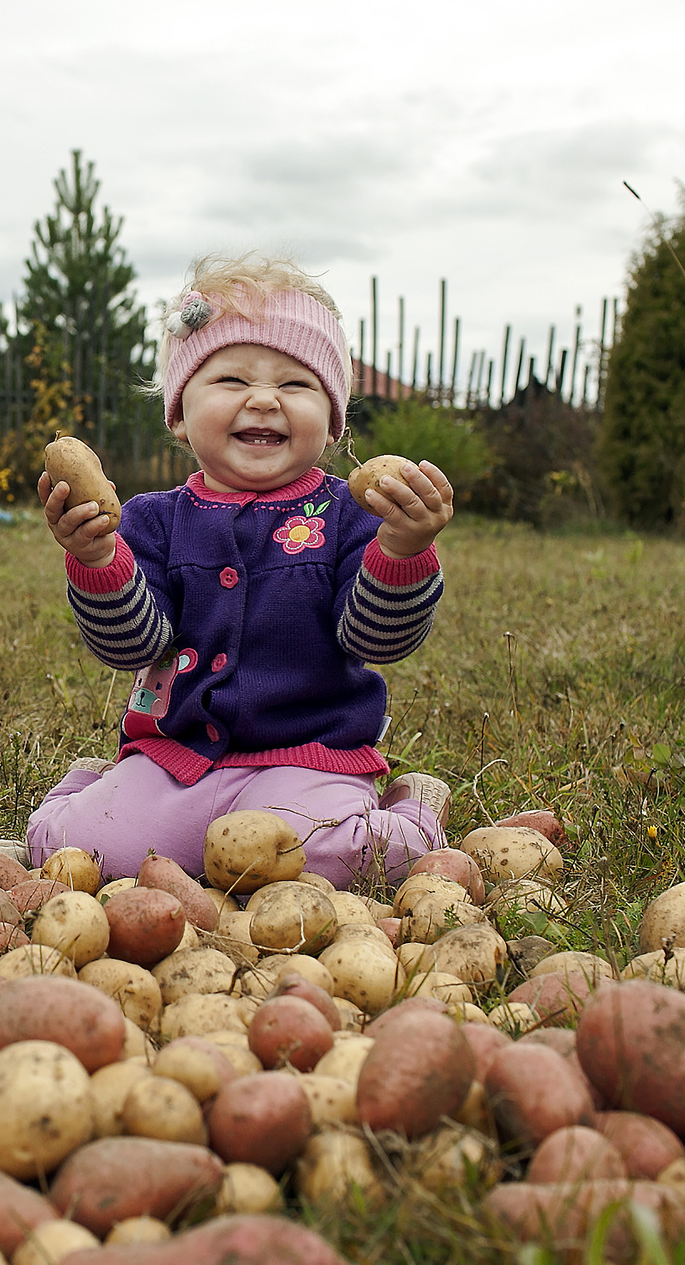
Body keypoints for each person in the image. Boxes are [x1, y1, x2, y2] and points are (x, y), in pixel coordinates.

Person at [27, 254, 455, 890]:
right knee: (77, 852)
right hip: (179, 758)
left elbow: (376, 642)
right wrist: (96, 560)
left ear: (334, 421)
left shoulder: (347, 517)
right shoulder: (153, 521)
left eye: (295, 384)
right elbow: (133, 647)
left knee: (327, 859)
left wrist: (400, 549)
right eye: (230, 379)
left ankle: (414, 811)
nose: (263, 399)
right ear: (178, 413)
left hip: (312, 762)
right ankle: (89, 788)